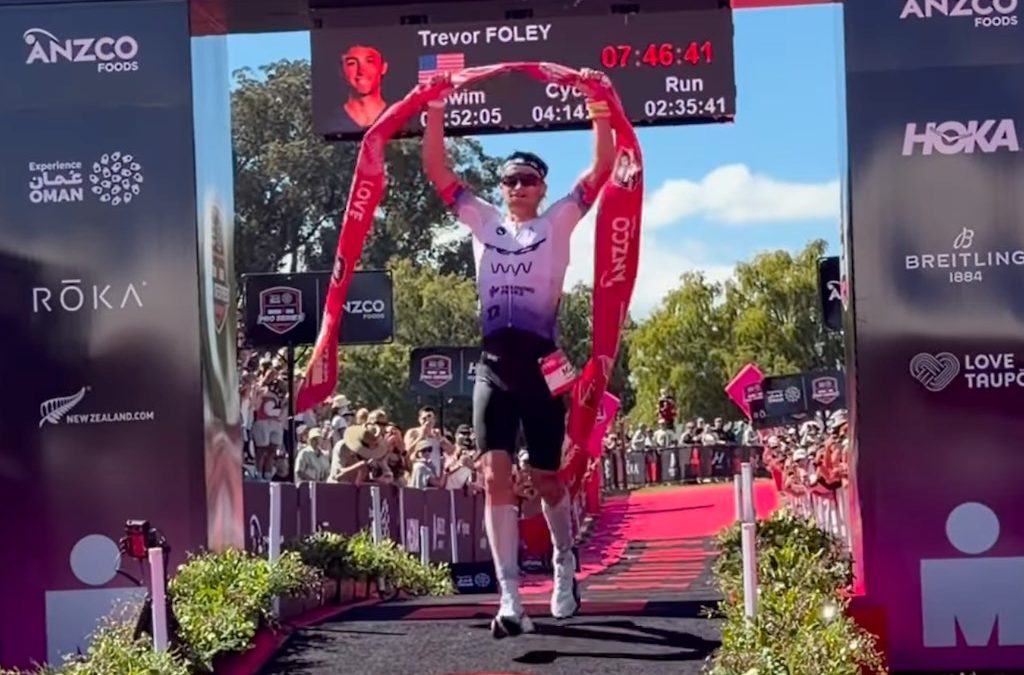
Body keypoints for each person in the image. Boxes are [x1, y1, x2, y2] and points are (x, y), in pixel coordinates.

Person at [421, 68, 616, 638]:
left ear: (542, 185)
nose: (518, 187)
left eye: (528, 179)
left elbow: (600, 171)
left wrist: (596, 104)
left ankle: (562, 564)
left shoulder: (558, 221)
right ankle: (509, 597)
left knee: (548, 481)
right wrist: (435, 109)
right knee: (494, 476)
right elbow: (439, 172)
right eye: (510, 180)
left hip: (541, 367)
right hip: (493, 366)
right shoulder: (482, 220)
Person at [328, 44, 389, 133]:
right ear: (341, 71)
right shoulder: (330, 123)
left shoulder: (400, 119)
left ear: (383, 67)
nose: (361, 71)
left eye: (370, 61)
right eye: (352, 63)